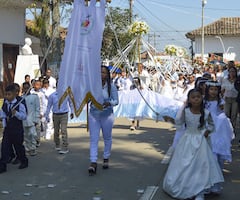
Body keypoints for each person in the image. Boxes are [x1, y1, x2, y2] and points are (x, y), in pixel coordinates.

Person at [163, 88, 224, 200]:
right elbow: (179, 123)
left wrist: (207, 131)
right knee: (185, 164)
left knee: (200, 165)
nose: (196, 99)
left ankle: (200, 190)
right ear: (189, 100)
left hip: (201, 142)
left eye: (198, 97)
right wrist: (170, 119)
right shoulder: (185, 112)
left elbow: (211, 125)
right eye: (193, 97)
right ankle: (188, 187)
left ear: (202, 98)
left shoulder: (206, 112)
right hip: (187, 141)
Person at [88, 66, 119, 176]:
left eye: (104, 72)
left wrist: (108, 103)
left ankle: (106, 157)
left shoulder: (111, 87)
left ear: (107, 75)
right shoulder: (92, 86)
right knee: (93, 139)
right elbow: (87, 98)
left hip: (107, 115)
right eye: (100, 72)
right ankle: (93, 162)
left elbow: (116, 101)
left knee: (107, 137)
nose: (102, 74)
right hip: (94, 115)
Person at [204, 81, 234, 170]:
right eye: (211, 89)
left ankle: (218, 167)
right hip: (208, 123)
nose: (213, 91)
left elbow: (221, 112)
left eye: (215, 90)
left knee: (218, 144)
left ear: (218, 91)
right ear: (207, 90)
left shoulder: (220, 101)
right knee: (208, 145)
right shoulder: (204, 101)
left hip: (219, 125)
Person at [0, 84, 28, 173]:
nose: (7, 96)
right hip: (8, 129)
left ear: (14, 94)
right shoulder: (5, 103)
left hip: (17, 129)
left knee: (18, 146)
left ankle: (23, 160)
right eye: (6, 94)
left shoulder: (20, 104)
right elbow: (3, 115)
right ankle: (2, 165)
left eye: (9, 94)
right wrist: (4, 125)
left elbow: (24, 117)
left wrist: (16, 113)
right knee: (4, 147)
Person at [45, 82, 74, 154]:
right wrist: (47, 115)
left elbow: (70, 103)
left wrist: (72, 112)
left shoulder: (66, 94)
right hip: (56, 115)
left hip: (64, 114)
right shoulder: (52, 96)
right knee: (56, 131)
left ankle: (65, 146)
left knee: (63, 130)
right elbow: (49, 106)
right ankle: (57, 144)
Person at [22, 82, 40, 156]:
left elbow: (37, 108)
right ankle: (27, 148)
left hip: (32, 119)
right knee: (26, 135)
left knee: (33, 134)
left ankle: (33, 148)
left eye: (27, 88)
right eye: (24, 88)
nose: (26, 89)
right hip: (23, 120)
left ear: (30, 88)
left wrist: (36, 119)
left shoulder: (34, 97)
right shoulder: (21, 98)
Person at [221, 66, 238, 132]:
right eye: (230, 71)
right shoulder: (225, 79)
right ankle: (227, 129)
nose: (232, 73)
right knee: (226, 114)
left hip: (235, 99)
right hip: (227, 99)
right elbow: (222, 89)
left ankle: (232, 130)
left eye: (233, 71)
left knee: (234, 115)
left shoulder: (238, 80)